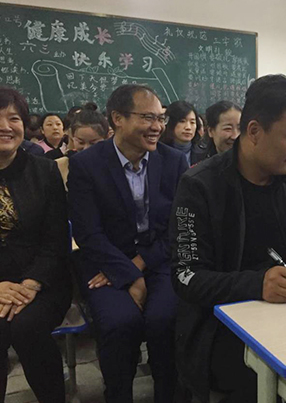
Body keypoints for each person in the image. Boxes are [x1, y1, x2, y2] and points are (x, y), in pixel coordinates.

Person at [169, 74, 286, 403]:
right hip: (222, 327)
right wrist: (257, 284)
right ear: (255, 131)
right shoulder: (200, 186)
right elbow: (186, 276)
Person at [68, 84, 188, 402]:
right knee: (120, 322)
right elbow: (88, 233)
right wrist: (128, 274)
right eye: (147, 117)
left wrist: (139, 266)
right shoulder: (87, 165)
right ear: (117, 118)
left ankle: (169, 394)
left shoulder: (174, 162)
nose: (157, 126)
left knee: (165, 318)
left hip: (159, 260)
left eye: (161, 118)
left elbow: (178, 228)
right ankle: (118, 394)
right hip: (106, 262)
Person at [0, 87, 71, 403]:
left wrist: (30, 284)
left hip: (43, 282)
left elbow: (56, 239)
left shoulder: (44, 171)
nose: (5, 126)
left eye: (13, 118)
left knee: (27, 328)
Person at [161, 100, 202, 165]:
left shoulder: (204, 154)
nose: (188, 127)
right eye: (182, 121)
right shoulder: (158, 153)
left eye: (192, 122)